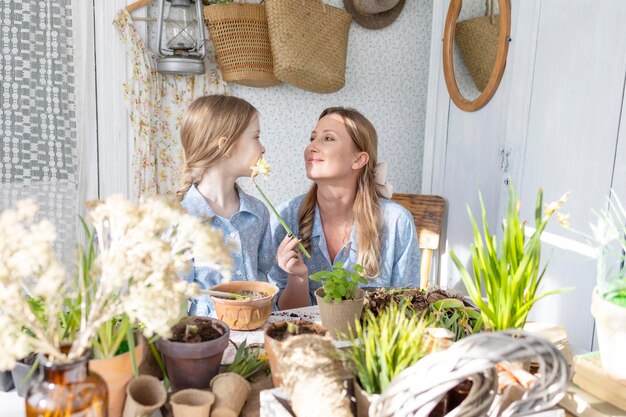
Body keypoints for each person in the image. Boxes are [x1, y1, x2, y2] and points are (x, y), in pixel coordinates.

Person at [269, 107, 420, 309]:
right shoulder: (286, 217)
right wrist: (298, 278)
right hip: (305, 338)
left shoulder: (396, 223)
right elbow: (285, 316)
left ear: (358, 159)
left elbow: (406, 309)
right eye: (312, 138)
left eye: (328, 138)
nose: (311, 147)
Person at [177, 95, 273, 316]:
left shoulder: (258, 212)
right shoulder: (181, 219)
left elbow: (264, 277)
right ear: (226, 146)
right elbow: (176, 303)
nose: (263, 148)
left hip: (257, 335)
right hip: (205, 340)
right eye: (256, 137)